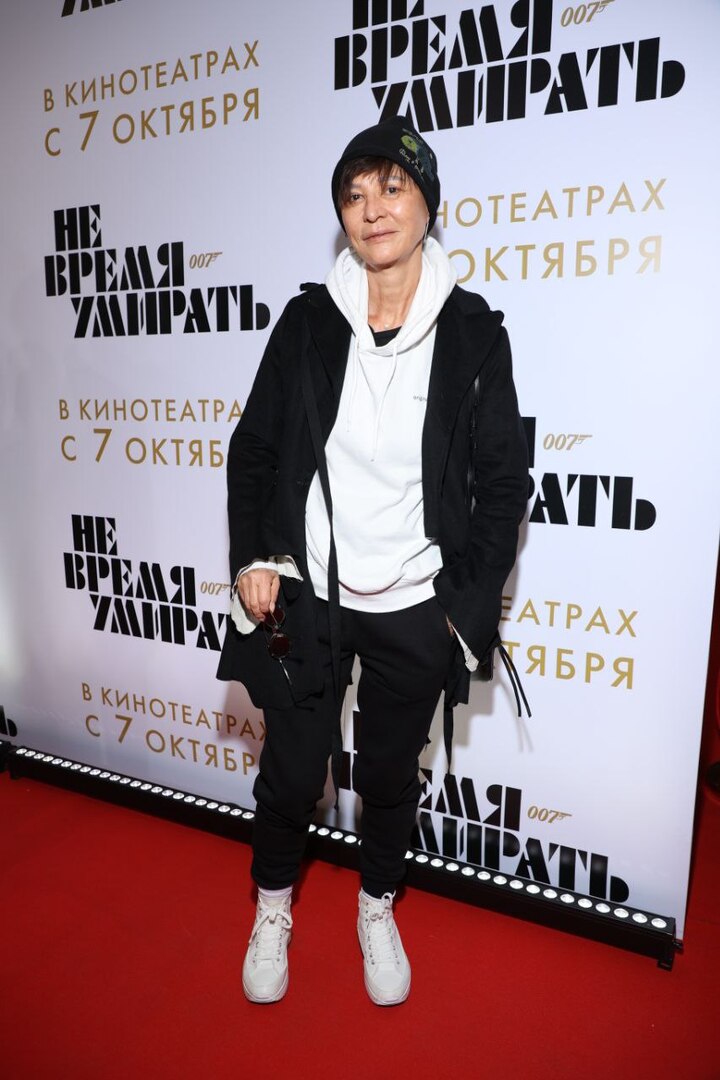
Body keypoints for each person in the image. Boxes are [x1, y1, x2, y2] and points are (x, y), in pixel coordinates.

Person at [217, 115, 529, 1007]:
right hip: (310, 592)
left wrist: (462, 611)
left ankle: (377, 904)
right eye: (354, 194)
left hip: (416, 604)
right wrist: (254, 555)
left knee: (391, 778)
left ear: (428, 204)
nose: (372, 208)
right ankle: (272, 906)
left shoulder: (473, 332)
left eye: (392, 187)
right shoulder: (308, 322)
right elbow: (256, 449)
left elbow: (504, 482)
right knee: (290, 774)